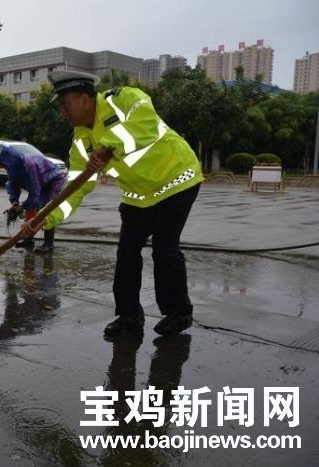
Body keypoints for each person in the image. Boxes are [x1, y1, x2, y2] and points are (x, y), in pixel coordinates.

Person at [21, 70, 203, 337]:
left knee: (165, 250)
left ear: (84, 98)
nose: (62, 112)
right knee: (127, 253)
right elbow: (75, 189)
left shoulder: (125, 99)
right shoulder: (81, 140)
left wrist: (108, 145)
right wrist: (43, 219)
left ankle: (178, 313)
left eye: (64, 103)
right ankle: (129, 316)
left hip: (176, 180)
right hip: (138, 195)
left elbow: (145, 123)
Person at [0, 145, 67, 253]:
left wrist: (23, 206)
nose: (5, 168)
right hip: (41, 183)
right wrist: (14, 202)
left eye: (5, 166)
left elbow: (35, 192)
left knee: (46, 210)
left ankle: (48, 243)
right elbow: (12, 184)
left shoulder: (29, 166)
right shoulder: (12, 167)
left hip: (53, 181)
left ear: (12, 162)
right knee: (31, 209)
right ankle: (28, 239)